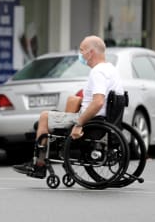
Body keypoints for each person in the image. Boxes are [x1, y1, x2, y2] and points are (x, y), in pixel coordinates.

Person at [13, 35, 124, 178]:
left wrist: (79, 124)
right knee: (73, 100)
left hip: (92, 121)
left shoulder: (98, 72)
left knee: (44, 117)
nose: (80, 54)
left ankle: (38, 165)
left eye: (82, 50)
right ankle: (58, 140)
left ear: (91, 53)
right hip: (104, 119)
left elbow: (98, 102)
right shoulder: (111, 69)